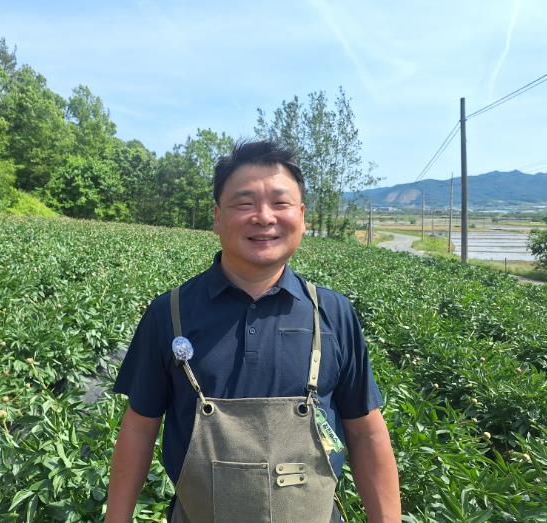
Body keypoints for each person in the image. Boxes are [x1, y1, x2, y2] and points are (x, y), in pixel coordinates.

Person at [106, 140, 400, 522]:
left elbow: (366, 433)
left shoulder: (332, 314)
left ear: (302, 216)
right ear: (217, 217)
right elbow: (139, 429)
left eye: (280, 203)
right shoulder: (170, 314)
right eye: (244, 203)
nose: (263, 217)